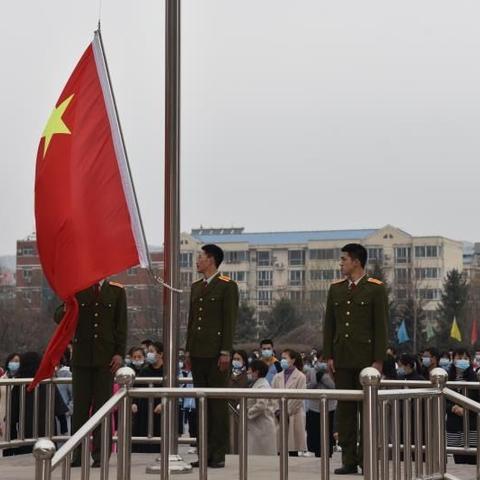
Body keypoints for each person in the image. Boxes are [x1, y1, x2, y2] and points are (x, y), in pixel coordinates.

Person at [323, 243, 388, 475]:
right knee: (345, 412)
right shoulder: (336, 289)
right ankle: (348, 459)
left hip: (366, 359)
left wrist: (378, 360)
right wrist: (328, 355)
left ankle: (366, 457)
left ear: (356, 262)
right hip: (342, 358)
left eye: (344, 260)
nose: (341, 264)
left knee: (366, 412)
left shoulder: (375, 289)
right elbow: (329, 325)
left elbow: (381, 326)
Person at [54, 279, 127, 467]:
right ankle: (77, 454)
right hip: (82, 359)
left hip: (106, 360)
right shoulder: (78, 288)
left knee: (102, 409)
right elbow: (58, 317)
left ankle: (101, 455)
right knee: (80, 410)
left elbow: (121, 324)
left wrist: (120, 353)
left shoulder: (116, 291)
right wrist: (67, 304)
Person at [186, 244, 239, 469]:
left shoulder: (227, 286)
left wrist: (225, 351)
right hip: (197, 352)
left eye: (200, 257)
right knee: (202, 404)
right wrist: (188, 350)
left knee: (216, 406)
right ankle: (204, 452)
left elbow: (229, 320)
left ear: (212, 260)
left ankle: (218, 454)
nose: (197, 261)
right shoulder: (197, 286)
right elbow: (191, 321)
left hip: (217, 353)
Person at [11, 352, 68, 455]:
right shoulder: (47, 383)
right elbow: (59, 409)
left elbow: (12, 414)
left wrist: (12, 436)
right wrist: (64, 428)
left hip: (26, 434)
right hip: (48, 433)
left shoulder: (19, 385)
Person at [446, 348, 479, 464]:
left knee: (472, 459)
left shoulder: (475, 379)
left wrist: (467, 409)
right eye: (459, 358)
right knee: (458, 460)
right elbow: (443, 400)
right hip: (454, 425)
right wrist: (452, 408)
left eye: (465, 358)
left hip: (471, 424)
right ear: (453, 359)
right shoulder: (447, 379)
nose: (462, 360)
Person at [272, 349, 307, 456]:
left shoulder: (301, 376)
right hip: (279, 415)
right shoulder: (277, 377)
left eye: (285, 358)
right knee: (279, 446)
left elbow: (299, 397)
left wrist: (287, 411)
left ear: (293, 360)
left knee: (293, 446)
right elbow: (272, 395)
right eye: (281, 358)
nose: (282, 361)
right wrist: (278, 410)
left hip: (293, 414)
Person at [132, 341, 164, 453]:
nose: (149, 354)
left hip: (160, 409)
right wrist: (134, 403)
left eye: (151, 351)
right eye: (148, 352)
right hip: (144, 409)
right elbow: (136, 388)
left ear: (160, 354)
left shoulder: (166, 371)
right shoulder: (144, 370)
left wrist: (163, 403)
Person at [305, 355, 337, 457]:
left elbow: (334, 386)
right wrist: (315, 379)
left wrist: (323, 377)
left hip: (330, 407)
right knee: (315, 432)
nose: (323, 362)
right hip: (314, 406)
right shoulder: (311, 371)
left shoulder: (333, 371)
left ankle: (329, 452)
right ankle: (316, 452)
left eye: (325, 360)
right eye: (321, 360)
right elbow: (309, 385)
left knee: (328, 431)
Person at [247, 360, 277, 455]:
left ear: (256, 372)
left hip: (262, 426)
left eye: (250, 370)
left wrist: (247, 412)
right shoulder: (258, 384)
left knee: (263, 457)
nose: (248, 372)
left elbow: (261, 405)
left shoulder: (262, 386)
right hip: (258, 426)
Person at [227, 350, 249, 454]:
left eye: (238, 359)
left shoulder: (247, 375)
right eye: (234, 359)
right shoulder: (228, 373)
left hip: (240, 410)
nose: (236, 361)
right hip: (228, 409)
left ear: (244, 361)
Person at [0, 352, 21, 454]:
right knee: (6, 448)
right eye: (12, 361)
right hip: (3, 417)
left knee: (16, 446)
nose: (14, 363)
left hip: (17, 417)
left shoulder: (22, 379)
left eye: (17, 361)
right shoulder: (2, 380)